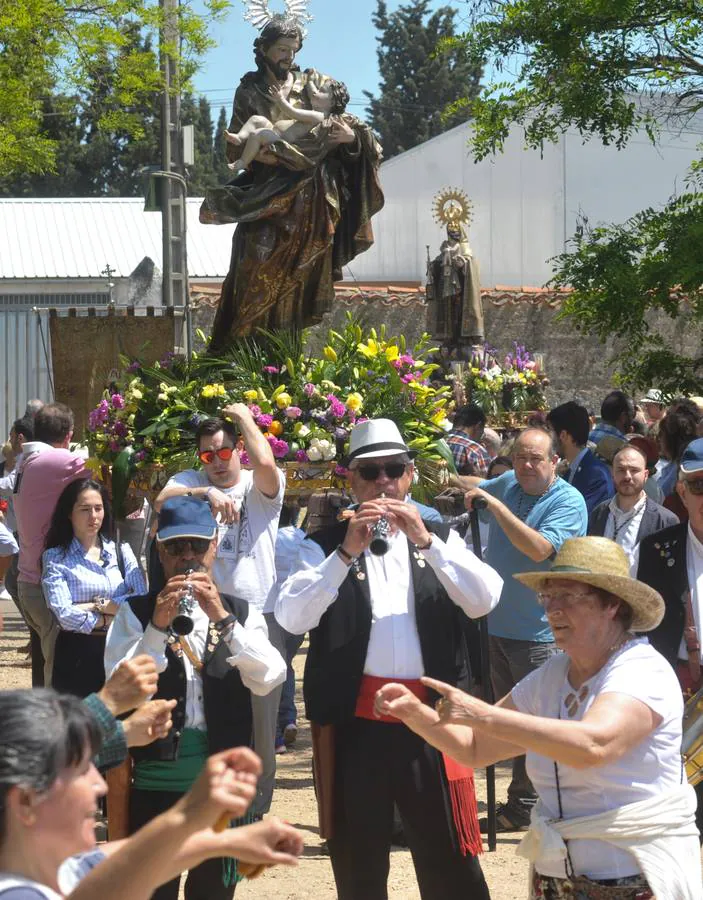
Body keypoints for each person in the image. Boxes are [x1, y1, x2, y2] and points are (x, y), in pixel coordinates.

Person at [376, 536, 701, 900]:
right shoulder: (552, 675)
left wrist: (482, 714)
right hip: (555, 877)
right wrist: (414, 713)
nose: (552, 609)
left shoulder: (642, 670)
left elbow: (594, 745)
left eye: (568, 596)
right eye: (548, 597)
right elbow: (475, 748)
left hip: (634, 877)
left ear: (612, 604)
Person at [276, 418, 503, 900]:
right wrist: (343, 555)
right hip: (356, 726)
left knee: (452, 864)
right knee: (359, 866)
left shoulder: (439, 535)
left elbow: (484, 600)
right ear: (351, 480)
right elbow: (292, 618)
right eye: (370, 472)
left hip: (432, 725)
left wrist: (427, 543)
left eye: (394, 470)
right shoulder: (319, 547)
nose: (383, 483)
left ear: (410, 474)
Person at [105, 495, 286, 900]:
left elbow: (271, 676)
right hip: (155, 790)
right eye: (175, 547)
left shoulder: (241, 611)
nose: (187, 557)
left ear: (214, 546)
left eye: (196, 546)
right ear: (160, 552)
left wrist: (224, 620)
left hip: (219, 792)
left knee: (212, 895)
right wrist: (156, 627)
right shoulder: (134, 613)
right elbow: (119, 685)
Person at [0, 688, 303, 900]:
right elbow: (113, 884)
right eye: (82, 770)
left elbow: (124, 858)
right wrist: (188, 814)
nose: (100, 785)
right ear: (26, 801)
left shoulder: (51, 865)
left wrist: (227, 842)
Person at [202, 16, 384, 345]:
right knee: (252, 266)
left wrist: (351, 140)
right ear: (263, 49)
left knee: (297, 280)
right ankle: (238, 356)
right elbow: (234, 147)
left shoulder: (312, 83)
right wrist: (256, 155)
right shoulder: (248, 90)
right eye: (281, 49)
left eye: (293, 49)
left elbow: (348, 124)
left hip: (310, 201)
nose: (288, 56)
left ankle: (282, 362)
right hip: (266, 196)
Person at [155, 406, 285, 818]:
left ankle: (256, 804)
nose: (216, 462)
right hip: (202, 614)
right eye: (208, 455)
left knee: (262, 716)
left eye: (224, 452)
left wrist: (244, 417)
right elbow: (160, 500)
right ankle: (209, 794)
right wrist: (203, 494)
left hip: (254, 612)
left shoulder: (255, 483)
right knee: (212, 708)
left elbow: (265, 463)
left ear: (238, 449)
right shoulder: (192, 482)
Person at [461, 425, 588, 831]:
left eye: (536, 459)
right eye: (520, 458)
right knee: (511, 720)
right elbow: (478, 483)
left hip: (540, 634)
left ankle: (529, 805)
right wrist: (434, 470)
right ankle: (524, 802)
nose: (527, 466)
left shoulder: (568, 501)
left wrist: (493, 506)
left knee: (538, 723)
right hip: (497, 626)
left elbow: (537, 549)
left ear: (555, 462)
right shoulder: (509, 483)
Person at [41, 478, 147, 698]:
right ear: (69, 513)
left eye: (98, 509)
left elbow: (139, 600)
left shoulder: (121, 551)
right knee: (80, 724)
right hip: (77, 653)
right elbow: (64, 613)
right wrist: (111, 615)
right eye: (84, 509)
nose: (93, 516)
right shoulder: (56, 557)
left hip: (121, 646)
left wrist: (97, 605)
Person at [14, 403, 87, 687]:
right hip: (45, 585)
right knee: (57, 672)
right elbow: (105, 471)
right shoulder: (59, 461)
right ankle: (52, 729)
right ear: (69, 435)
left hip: (28, 579)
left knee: (47, 668)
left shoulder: (26, 461)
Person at [226, 78, 350, 173]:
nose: (316, 92)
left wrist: (280, 100)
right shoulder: (317, 112)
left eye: (322, 91)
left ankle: (242, 162)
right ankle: (239, 137)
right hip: (274, 131)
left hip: (280, 141)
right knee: (256, 119)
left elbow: (292, 112)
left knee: (257, 134)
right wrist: (310, 80)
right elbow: (313, 92)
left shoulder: (318, 116)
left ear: (332, 102)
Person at [588, 445, 679, 560]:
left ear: (645, 475)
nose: (627, 476)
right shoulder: (599, 512)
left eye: (634, 470)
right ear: (612, 474)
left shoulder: (665, 521)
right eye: (621, 470)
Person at [547, 401, 614, 515]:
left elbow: (579, 517)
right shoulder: (569, 469)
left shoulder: (596, 475)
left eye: (549, 431)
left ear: (563, 435)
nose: (547, 438)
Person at [426, 224, 484, 352]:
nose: (453, 233)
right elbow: (439, 266)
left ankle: (464, 339)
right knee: (448, 315)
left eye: (455, 230)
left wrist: (463, 264)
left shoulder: (465, 249)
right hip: (446, 291)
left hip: (462, 291)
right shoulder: (444, 249)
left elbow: (472, 265)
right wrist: (433, 266)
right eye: (450, 230)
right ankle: (449, 338)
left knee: (459, 313)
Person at [446, 404, 491, 477]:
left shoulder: (436, 442)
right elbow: (487, 485)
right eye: (482, 431)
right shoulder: (476, 451)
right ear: (478, 426)